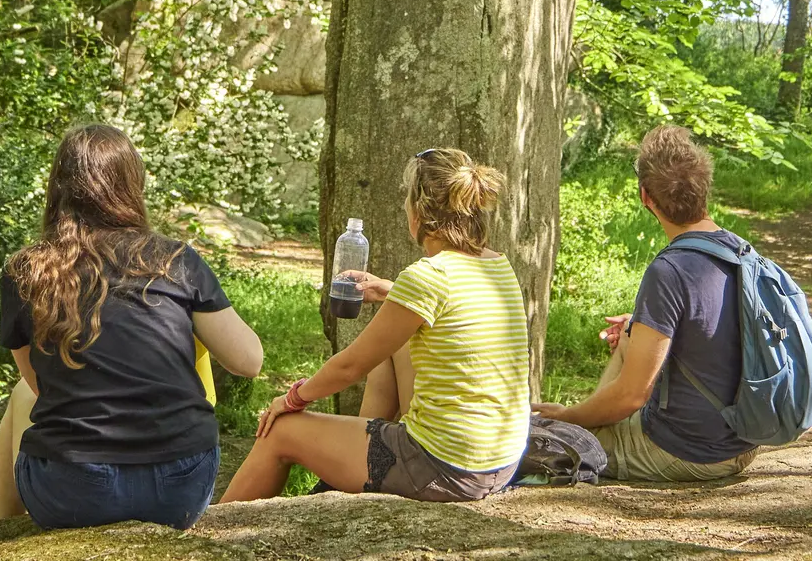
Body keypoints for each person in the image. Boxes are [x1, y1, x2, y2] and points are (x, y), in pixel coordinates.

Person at [219, 148, 529, 503]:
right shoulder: (496, 265)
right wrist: (392, 292)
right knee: (394, 343)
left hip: (444, 468)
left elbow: (351, 366)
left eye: (406, 199)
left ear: (419, 211)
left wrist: (290, 399)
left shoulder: (429, 276)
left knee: (280, 432)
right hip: (497, 463)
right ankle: (353, 475)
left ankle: (210, 539)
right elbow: (457, 312)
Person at [0, 123, 263, 530]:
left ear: (58, 188)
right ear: (130, 185)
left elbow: (39, 387)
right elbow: (249, 360)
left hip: (71, 493)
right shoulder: (177, 260)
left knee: (19, 400)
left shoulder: (27, 271)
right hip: (180, 487)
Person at [532, 126, 758, 481]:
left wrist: (565, 416)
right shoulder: (738, 250)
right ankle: (591, 426)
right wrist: (641, 327)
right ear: (705, 189)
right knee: (627, 337)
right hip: (742, 441)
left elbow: (631, 397)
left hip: (691, 453)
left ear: (645, 197)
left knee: (551, 440)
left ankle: (584, 432)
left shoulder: (669, 270)